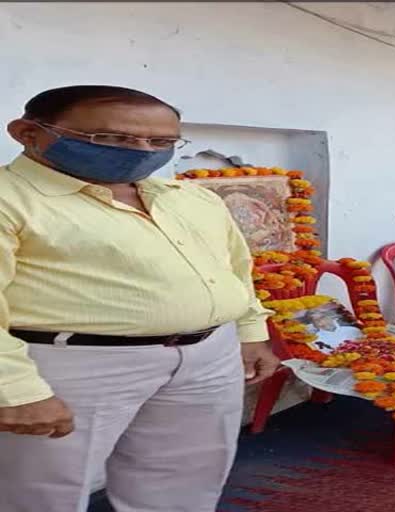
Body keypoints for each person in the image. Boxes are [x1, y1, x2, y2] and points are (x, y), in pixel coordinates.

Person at [0, 85, 280, 512]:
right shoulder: (9, 199)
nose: (142, 151)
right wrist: (14, 390)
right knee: (42, 489)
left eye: (162, 142)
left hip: (209, 354)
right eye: (112, 138)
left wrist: (249, 331)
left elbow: (233, 270)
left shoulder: (190, 197)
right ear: (27, 133)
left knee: (187, 477)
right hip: (69, 363)